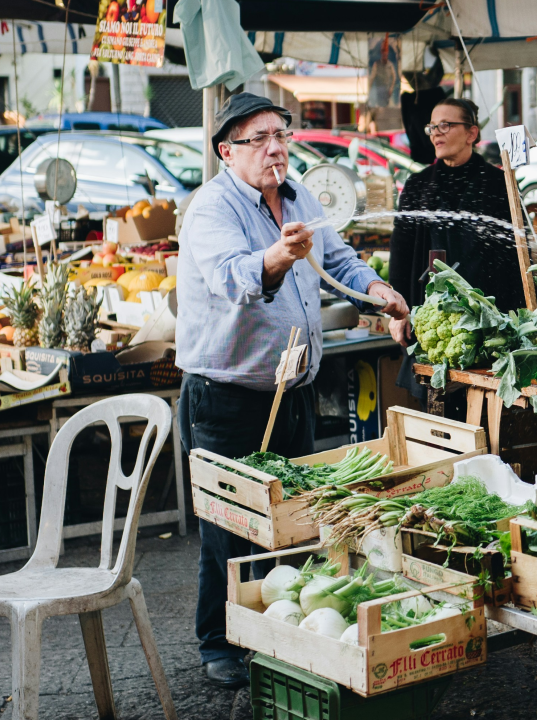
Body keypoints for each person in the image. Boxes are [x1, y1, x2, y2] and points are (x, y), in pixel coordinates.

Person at [176, 93, 408, 689]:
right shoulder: (211, 208)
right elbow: (233, 279)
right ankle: (219, 643)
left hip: (293, 390)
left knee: (294, 518)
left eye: (281, 133)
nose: (276, 146)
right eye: (260, 138)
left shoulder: (300, 195)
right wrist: (277, 256)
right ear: (228, 150)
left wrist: (379, 293)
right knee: (231, 526)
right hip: (228, 396)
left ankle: (278, 631)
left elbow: (340, 261)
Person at [388, 98, 523, 357]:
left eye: (446, 125)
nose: (436, 132)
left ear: (471, 133)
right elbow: (401, 253)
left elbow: (518, 255)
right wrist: (398, 311)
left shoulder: (499, 184)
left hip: (490, 321)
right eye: (432, 127)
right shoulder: (417, 186)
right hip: (432, 321)